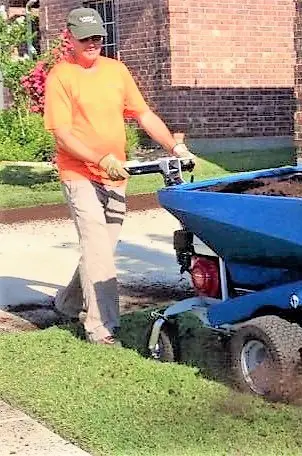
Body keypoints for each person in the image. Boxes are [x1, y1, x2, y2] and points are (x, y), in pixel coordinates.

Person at [44, 7, 193, 346]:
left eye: (97, 36)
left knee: (102, 249)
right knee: (97, 247)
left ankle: (67, 302)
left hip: (115, 176)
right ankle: (102, 328)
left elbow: (143, 113)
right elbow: (64, 136)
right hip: (79, 173)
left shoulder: (116, 71)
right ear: (70, 37)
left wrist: (175, 148)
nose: (93, 43)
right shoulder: (61, 77)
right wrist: (99, 159)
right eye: (85, 38)